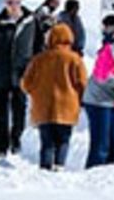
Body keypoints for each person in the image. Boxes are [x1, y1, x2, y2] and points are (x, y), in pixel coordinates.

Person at [0, 0, 41, 158]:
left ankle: (16, 139)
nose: (13, 6)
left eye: (16, 2)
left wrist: (34, 67)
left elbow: (38, 47)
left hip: (22, 74)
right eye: (9, 3)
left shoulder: (31, 22)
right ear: (4, 4)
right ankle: (1, 146)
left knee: (19, 109)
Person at [21, 22, 88, 171]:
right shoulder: (75, 59)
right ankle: (59, 164)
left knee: (46, 140)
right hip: (68, 106)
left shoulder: (39, 59)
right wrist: (81, 99)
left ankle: (45, 167)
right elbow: (82, 83)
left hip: (43, 106)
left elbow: (26, 83)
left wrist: (35, 92)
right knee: (64, 139)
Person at [83, 14, 114, 168]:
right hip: (98, 100)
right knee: (101, 145)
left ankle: (107, 177)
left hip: (110, 100)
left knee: (111, 145)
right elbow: (103, 76)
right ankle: (92, 177)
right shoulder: (111, 48)